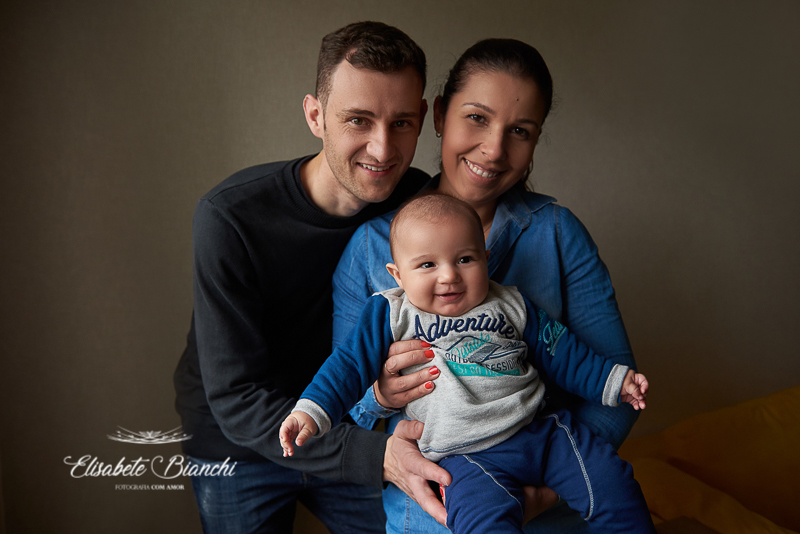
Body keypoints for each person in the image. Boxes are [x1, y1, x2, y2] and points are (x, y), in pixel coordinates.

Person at [332, 39, 641, 533]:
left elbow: (618, 386)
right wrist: (381, 398)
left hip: (552, 504)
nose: (494, 149)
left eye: (520, 131)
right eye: (476, 117)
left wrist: (543, 488)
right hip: (432, 514)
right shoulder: (370, 249)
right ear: (439, 115)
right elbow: (346, 413)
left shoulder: (558, 235)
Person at [172, 21, 451, 533]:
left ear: (426, 121)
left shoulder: (423, 209)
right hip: (242, 446)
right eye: (358, 120)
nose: (383, 149)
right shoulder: (231, 216)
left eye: (402, 123)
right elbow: (236, 398)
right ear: (315, 115)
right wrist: (375, 457)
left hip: (356, 425)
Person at [281, 194, 654, 534]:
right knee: (482, 525)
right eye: (427, 264)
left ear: (485, 258)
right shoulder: (391, 313)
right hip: (465, 458)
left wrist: (616, 380)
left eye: (465, 259)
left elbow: (564, 353)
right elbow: (347, 365)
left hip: (543, 432)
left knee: (615, 485)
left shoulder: (511, 303)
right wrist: (311, 412)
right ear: (397, 275)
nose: (449, 276)